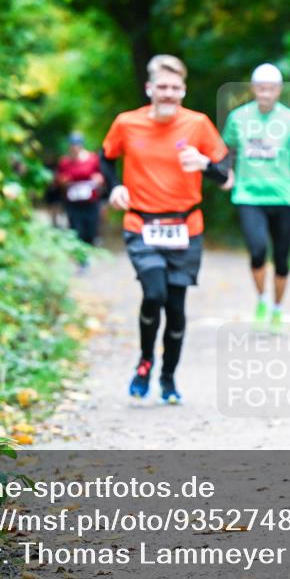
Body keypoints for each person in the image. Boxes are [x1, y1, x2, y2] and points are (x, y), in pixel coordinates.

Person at [100, 54, 233, 404]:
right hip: (141, 223)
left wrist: (205, 164)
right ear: (149, 88)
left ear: (184, 91)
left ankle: (169, 378)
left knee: (176, 308)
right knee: (154, 294)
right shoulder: (127, 123)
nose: (169, 93)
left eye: (175, 88)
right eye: (162, 86)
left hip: (185, 227)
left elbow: (226, 177)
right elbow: (105, 157)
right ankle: (145, 360)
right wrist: (113, 186)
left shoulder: (198, 124)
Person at [222, 63, 290, 328]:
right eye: (261, 88)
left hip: (282, 197)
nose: (266, 93)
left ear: (279, 90)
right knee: (257, 250)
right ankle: (261, 299)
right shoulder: (238, 118)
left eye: (271, 88)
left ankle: (277, 308)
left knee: (282, 259)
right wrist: (226, 172)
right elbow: (225, 149)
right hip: (248, 195)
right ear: (254, 88)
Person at [55, 132, 105, 246]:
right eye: (72, 145)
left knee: (92, 228)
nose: (74, 147)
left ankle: (92, 248)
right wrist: (62, 181)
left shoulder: (92, 159)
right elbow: (58, 180)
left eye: (76, 144)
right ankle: (81, 256)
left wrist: (98, 179)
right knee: (76, 229)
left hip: (90, 201)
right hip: (73, 202)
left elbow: (101, 176)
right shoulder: (64, 162)